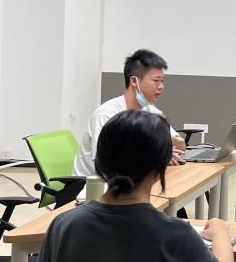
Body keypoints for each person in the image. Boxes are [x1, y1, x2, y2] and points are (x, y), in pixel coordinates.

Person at [33, 109, 234, 262]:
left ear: (100, 162)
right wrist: (220, 231)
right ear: (162, 166)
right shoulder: (171, 233)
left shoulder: (63, 224)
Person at [74, 49, 187, 179]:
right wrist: (158, 152)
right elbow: (105, 164)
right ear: (134, 81)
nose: (161, 86)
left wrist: (163, 148)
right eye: (156, 80)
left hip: (128, 180)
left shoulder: (151, 111)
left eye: (162, 80)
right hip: (93, 186)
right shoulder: (106, 114)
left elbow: (181, 145)